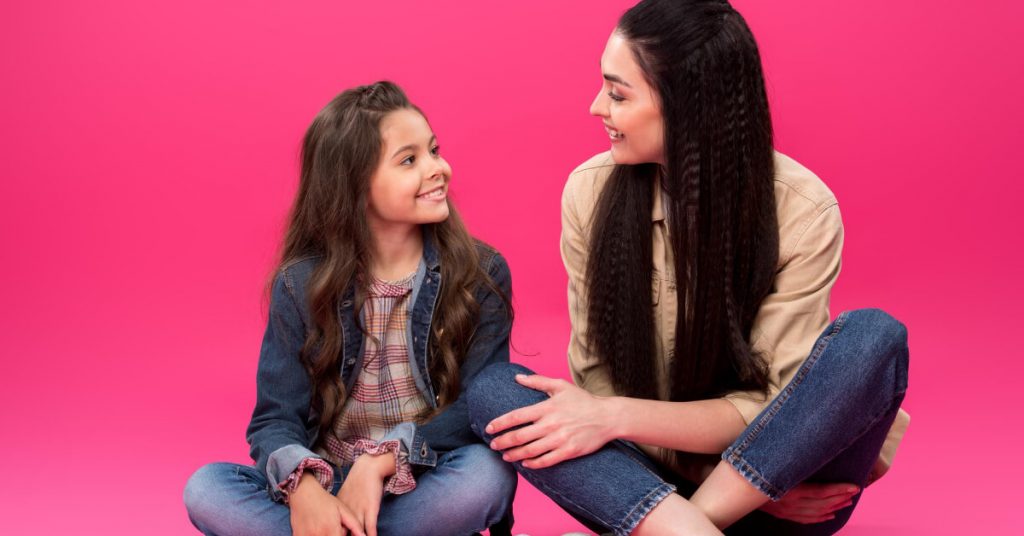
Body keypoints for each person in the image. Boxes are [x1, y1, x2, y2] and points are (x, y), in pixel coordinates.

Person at [467, 1, 909, 534]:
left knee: (873, 338)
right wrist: (617, 423)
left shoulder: (803, 209)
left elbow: (779, 411)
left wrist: (739, 480)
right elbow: (596, 385)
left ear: (687, 107)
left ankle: (692, 525)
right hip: (648, 489)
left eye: (617, 93)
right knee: (495, 389)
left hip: (777, 490)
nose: (595, 108)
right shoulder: (589, 192)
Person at [184, 81, 516, 536]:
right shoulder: (299, 284)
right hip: (328, 485)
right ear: (355, 186)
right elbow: (275, 418)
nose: (439, 168)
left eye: (434, 150)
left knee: (487, 475)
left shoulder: (480, 272)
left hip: (420, 477)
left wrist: (380, 463)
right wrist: (304, 492)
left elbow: (478, 409)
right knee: (206, 488)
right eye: (409, 160)